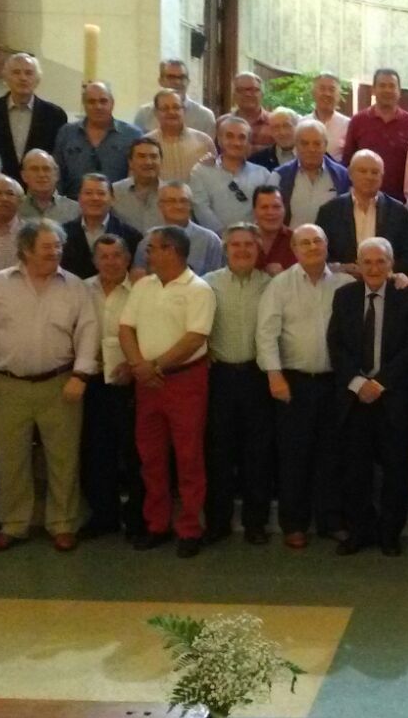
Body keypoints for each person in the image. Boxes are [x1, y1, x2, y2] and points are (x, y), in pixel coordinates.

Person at [0, 220, 99, 553]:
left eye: (58, 246)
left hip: (60, 384)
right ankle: (13, 524)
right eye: (47, 247)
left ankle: (63, 524)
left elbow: (88, 332)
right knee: (11, 460)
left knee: (64, 459)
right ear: (25, 250)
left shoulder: (75, 286)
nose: (55, 252)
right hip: (7, 386)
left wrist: (81, 375)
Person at [120, 225, 217, 557]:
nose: (148, 254)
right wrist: (139, 367)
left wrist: (155, 366)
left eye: (153, 248)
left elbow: (195, 337)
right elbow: (125, 328)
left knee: (189, 458)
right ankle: (156, 524)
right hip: (147, 382)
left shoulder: (198, 289)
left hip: (185, 381)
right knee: (151, 457)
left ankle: (190, 528)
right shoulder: (144, 285)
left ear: (172, 251)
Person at [256, 224, 354, 546]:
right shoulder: (280, 285)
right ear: (294, 249)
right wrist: (274, 375)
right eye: (304, 243)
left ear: (327, 245)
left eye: (317, 241)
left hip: (334, 383)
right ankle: (294, 524)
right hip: (293, 383)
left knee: (332, 455)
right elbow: (266, 333)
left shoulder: (345, 283)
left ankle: (330, 519)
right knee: (294, 456)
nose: (312, 247)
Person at [327, 238, 408, 556]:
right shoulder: (344, 297)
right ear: (359, 264)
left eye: (381, 262)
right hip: (354, 399)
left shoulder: (406, 297)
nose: (375, 268)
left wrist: (379, 384)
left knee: (395, 469)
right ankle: (359, 531)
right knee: (356, 470)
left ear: (391, 264)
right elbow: (336, 345)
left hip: (392, 398)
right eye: (368, 262)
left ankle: (389, 533)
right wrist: (357, 382)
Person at [203, 226, 273, 545]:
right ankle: (218, 521)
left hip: (258, 378)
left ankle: (255, 524)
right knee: (219, 453)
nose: (242, 250)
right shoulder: (208, 284)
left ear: (258, 249)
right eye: (236, 245)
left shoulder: (271, 285)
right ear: (225, 248)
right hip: (220, 378)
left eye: (249, 245)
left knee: (257, 454)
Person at [81, 233, 143, 541]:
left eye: (116, 255)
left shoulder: (141, 290)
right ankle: (103, 515)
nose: (110, 262)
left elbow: (152, 331)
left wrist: (135, 365)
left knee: (135, 453)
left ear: (128, 258)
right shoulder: (80, 289)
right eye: (103, 256)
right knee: (97, 452)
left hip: (130, 382)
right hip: (92, 382)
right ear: (94, 260)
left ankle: (136, 517)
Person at [0, 52, 68, 180]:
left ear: (37, 79)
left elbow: (59, 160)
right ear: (6, 77)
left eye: (29, 73)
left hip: (38, 190)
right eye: (16, 72)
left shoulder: (55, 115)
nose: (23, 78)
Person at [316, 149, 408, 272]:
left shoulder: (398, 212)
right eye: (362, 171)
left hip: (386, 285)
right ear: (350, 174)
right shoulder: (329, 212)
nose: (369, 177)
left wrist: (384, 272)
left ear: (382, 177)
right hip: (343, 284)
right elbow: (320, 253)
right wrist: (341, 268)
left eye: (375, 172)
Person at [342, 67, 408, 199]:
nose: (387, 90)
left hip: (400, 201)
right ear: (373, 90)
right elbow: (347, 161)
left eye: (392, 86)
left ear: (399, 91)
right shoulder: (358, 121)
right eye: (382, 86)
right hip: (363, 198)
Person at [53, 81, 143, 194]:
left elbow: (139, 178)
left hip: (118, 206)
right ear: (84, 105)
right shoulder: (67, 133)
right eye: (91, 102)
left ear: (112, 103)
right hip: (73, 206)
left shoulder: (132, 135)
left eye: (103, 101)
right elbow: (57, 174)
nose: (98, 106)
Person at [191, 115, 273, 232]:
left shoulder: (263, 174)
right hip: (215, 242)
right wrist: (226, 236)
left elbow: (266, 210)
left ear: (249, 142)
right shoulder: (201, 171)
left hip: (253, 241)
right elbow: (201, 208)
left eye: (242, 137)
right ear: (219, 140)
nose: (236, 142)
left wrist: (248, 235)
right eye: (229, 136)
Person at [60, 172, 142, 279]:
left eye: (101, 193)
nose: (95, 198)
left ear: (112, 199)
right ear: (79, 198)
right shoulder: (62, 234)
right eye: (88, 193)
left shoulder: (131, 236)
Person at [133, 182, 223, 276]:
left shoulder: (210, 241)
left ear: (191, 205)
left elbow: (217, 278)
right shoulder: (148, 240)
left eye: (183, 201)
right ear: (160, 206)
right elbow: (139, 276)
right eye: (171, 201)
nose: (178, 206)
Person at [278, 118, 352, 228]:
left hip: (331, 243)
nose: (311, 149)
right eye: (305, 143)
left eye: (317, 143)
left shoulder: (342, 176)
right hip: (292, 243)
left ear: (325, 145)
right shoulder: (280, 176)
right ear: (296, 145)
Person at [146, 89, 216, 183]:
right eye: (165, 108)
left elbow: (214, 177)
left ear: (184, 110)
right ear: (156, 113)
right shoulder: (146, 143)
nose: (171, 112)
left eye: (176, 107)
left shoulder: (204, 141)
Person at [133, 58, 217, 135]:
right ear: (160, 81)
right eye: (171, 77)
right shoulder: (144, 114)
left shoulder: (204, 117)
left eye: (182, 77)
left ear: (188, 82)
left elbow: (209, 150)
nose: (177, 82)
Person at [112, 139, 166, 232]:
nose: (148, 162)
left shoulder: (172, 194)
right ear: (130, 162)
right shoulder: (114, 192)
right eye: (141, 156)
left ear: (161, 161)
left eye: (153, 156)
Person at [18, 149, 78, 224]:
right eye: (35, 169)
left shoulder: (75, 210)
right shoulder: (14, 208)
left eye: (46, 169)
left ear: (57, 174)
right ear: (24, 176)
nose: (41, 175)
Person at [251, 185, 297, 273]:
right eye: (264, 207)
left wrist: (285, 277)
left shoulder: (297, 241)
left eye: (276, 207)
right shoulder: (241, 241)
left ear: (284, 210)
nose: (270, 212)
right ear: (254, 211)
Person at [228, 72, 275, 150]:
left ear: (262, 94)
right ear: (233, 95)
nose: (247, 94)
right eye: (240, 90)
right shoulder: (222, 123)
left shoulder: (275, 123)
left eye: (253, 89)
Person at [311, 71, 351, 158]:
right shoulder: (302, 123)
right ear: (313, 93)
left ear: (339, 95)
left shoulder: (348, 125)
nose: (327, 94)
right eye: (322, 89)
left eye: (332, 89)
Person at [249, 107, 300, 171]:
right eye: (276, 127)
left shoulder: (310, 155)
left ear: (297, 126)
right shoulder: (258, 160)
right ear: (270, 131)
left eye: (286, 126)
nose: (282, 132)